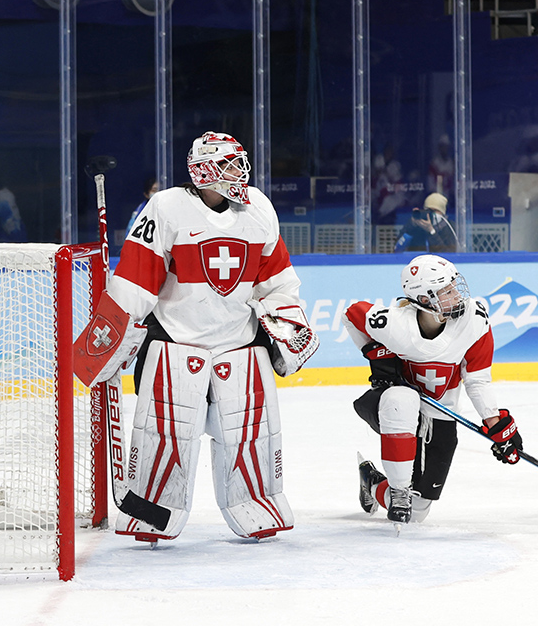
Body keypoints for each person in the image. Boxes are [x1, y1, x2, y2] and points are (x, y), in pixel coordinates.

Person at [72, 131, 318, 543]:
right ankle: (153, 507)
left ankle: (255, 502)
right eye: (227, 166)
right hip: (175, 341)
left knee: (251, 432)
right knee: (166, 433)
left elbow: (276, 281)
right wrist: (107, 346)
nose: (239, 173)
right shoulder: (166, 208)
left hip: (239, 340)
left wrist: (286, 320)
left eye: (239, 164)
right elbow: (135, 280)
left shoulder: (259, 208)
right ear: (204, 171)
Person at [344, 255, 524, 527]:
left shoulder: (473, 322)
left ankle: (372, 482)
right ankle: (399, 490)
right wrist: (377, 356)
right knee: (401, 398)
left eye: (454, 286)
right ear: (425, 300)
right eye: (447, 290)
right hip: (392, 409)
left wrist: (496, 424)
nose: (457, 294)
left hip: (440, 413)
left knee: (417, 513)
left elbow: (477, 380)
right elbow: (352, 314)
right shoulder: (395, 324)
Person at [393, 192, 458, 253]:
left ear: (442, 213)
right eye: (428, 210)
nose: (431, 213)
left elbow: (447, 253)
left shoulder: (450, 227)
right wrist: (412, 226)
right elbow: (397, 248)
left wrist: (431, 231)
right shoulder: (416, 226)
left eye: (435, 210)